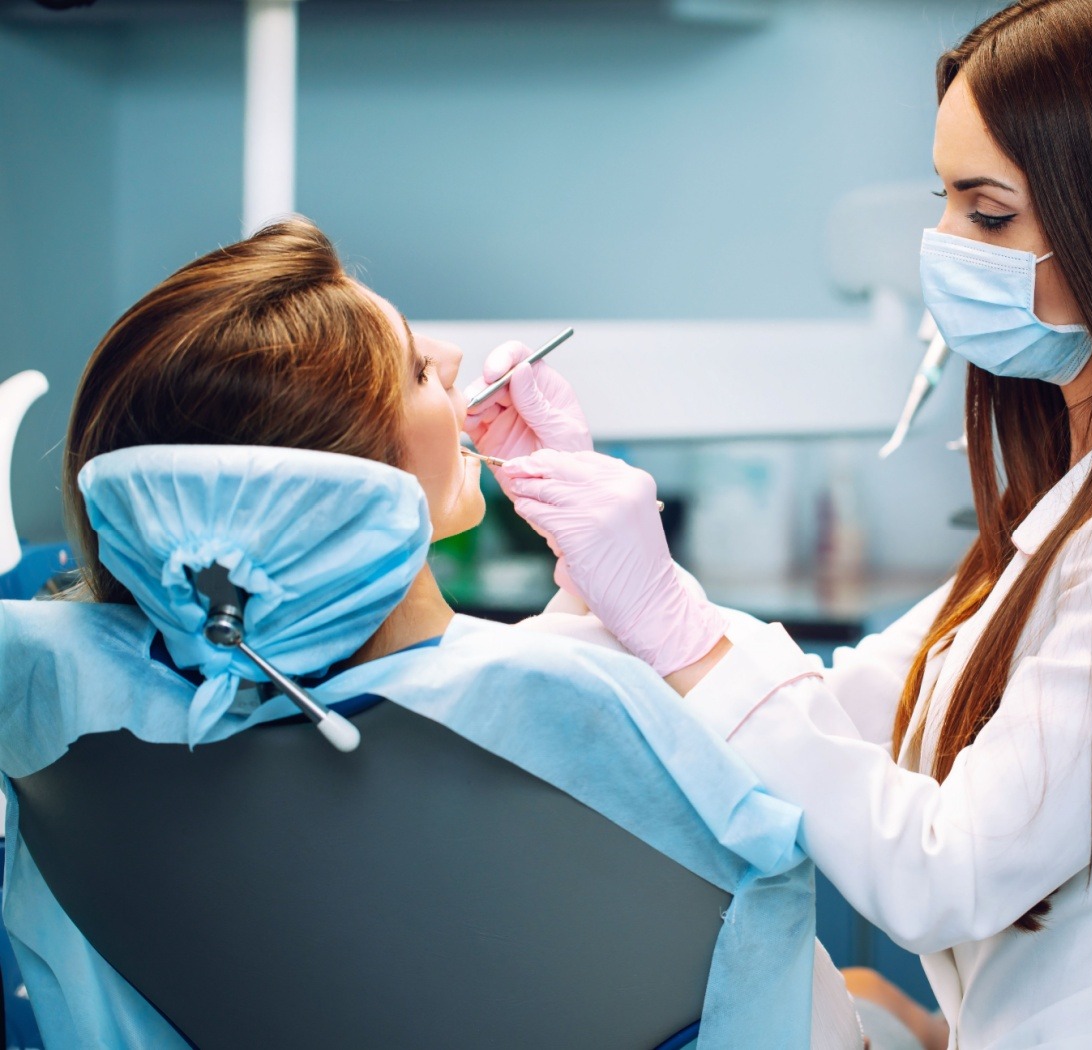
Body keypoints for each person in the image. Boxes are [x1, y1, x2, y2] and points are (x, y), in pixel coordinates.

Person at [468, 1, 1092, 1047]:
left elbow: (941, 872)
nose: (944, 246)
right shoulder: (1075, 508)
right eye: (944, 200)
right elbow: (843, 708)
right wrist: (599, 562)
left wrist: (666, 613)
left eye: (987, 215)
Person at [0, 218, 876, 1049]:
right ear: (342, 484)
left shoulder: (70, 699)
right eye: (417, 373)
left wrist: (584, 583)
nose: (452, 360)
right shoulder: (571, 704)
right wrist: (649, 605)